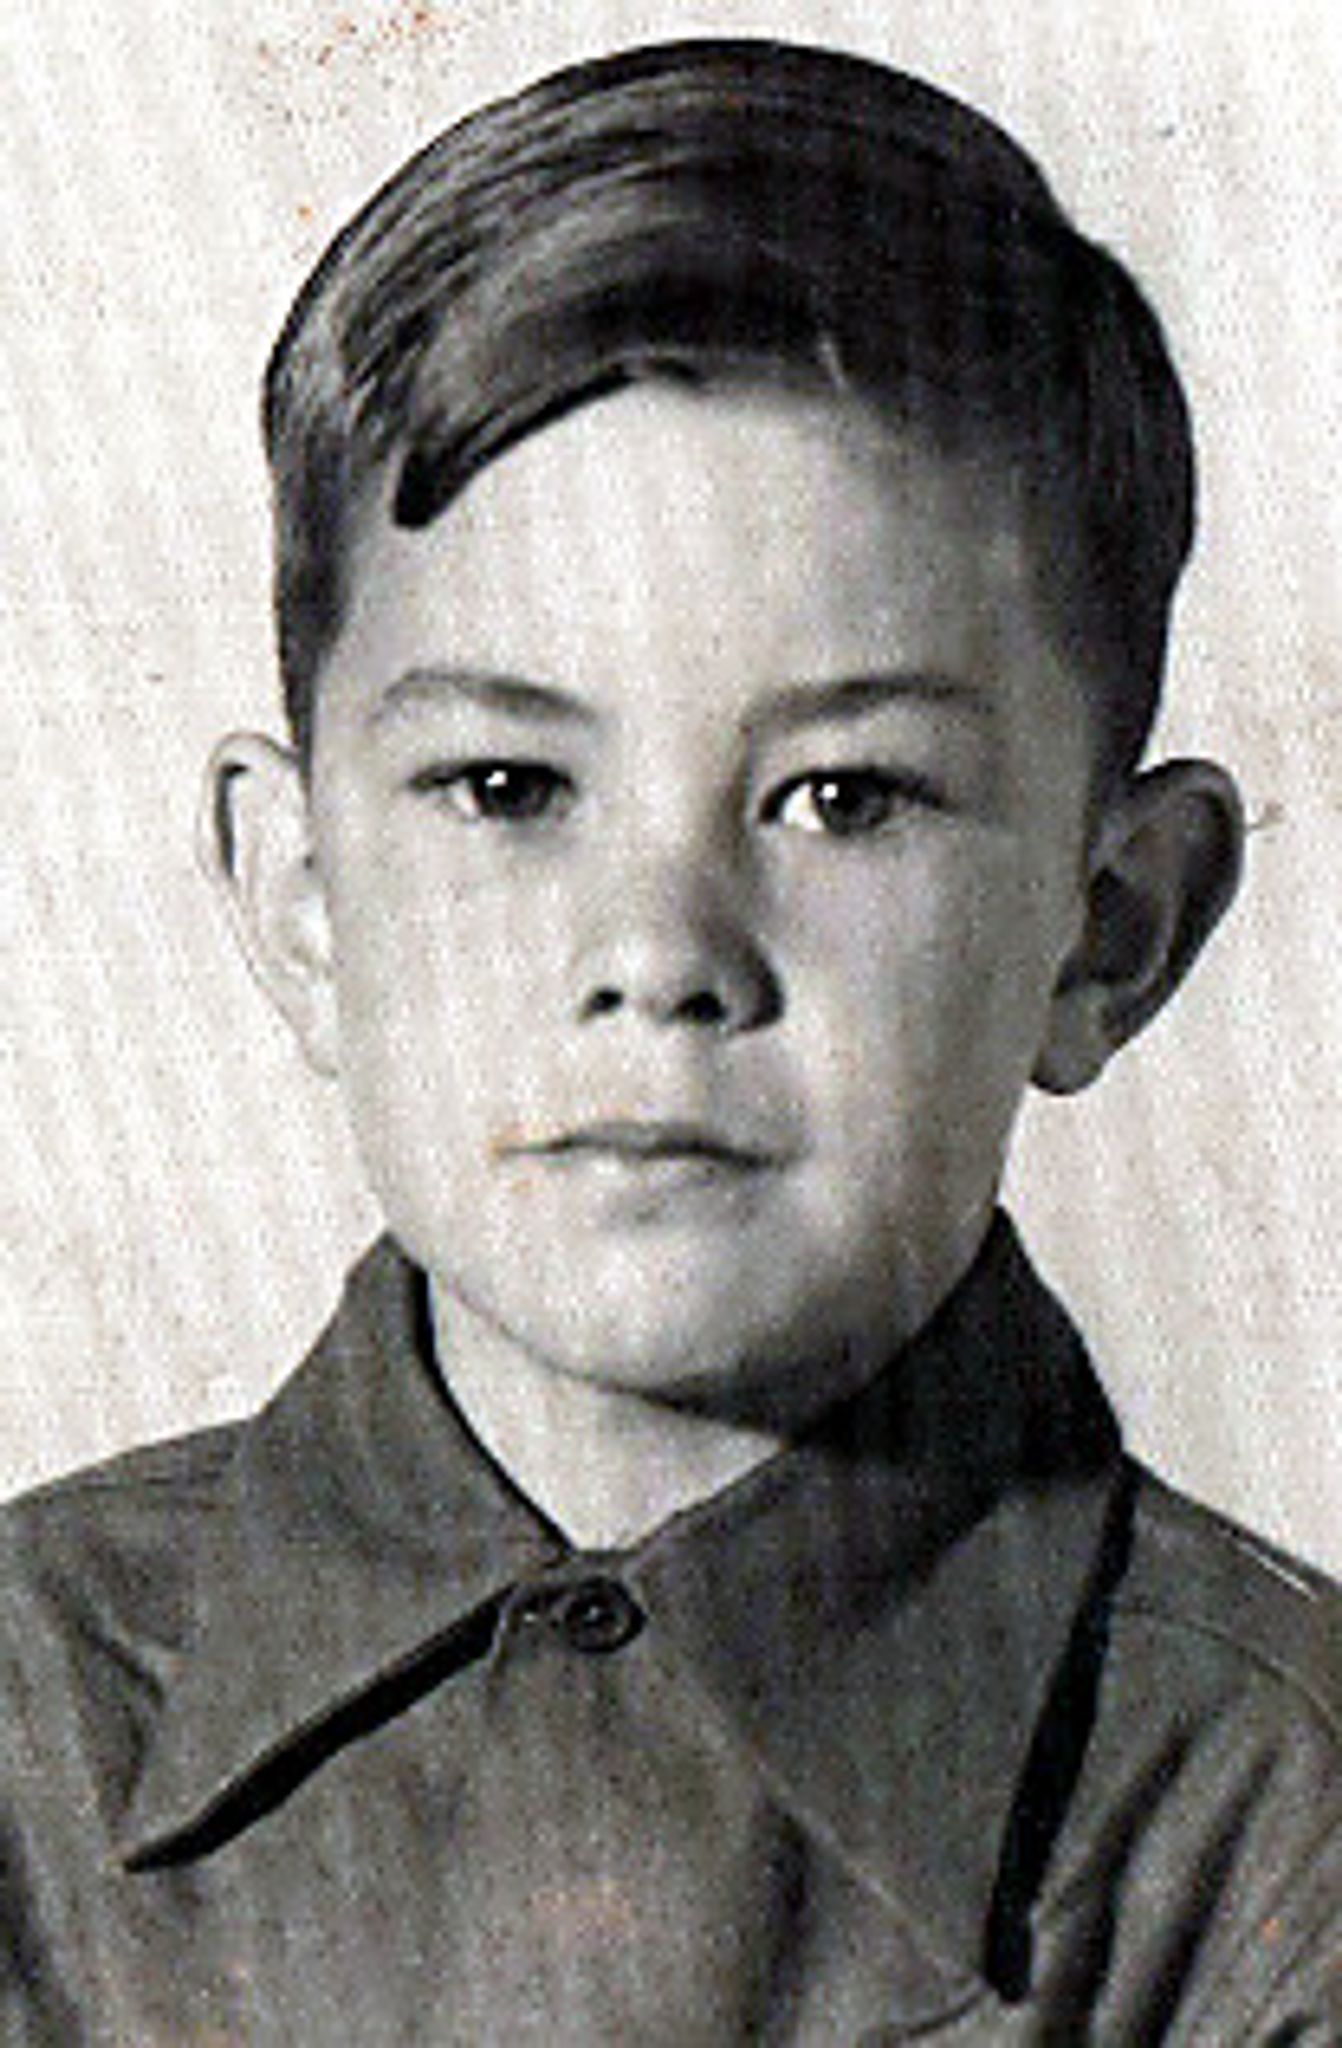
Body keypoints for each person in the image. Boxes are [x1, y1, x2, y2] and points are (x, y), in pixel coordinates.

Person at [2, 36, 1338, 2044]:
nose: (658, 955)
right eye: (506, 787)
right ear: (298, 893)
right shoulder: (27, 1715)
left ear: (1111, 928)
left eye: (844, 798)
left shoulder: (1272, 1837)